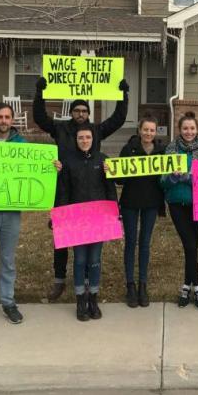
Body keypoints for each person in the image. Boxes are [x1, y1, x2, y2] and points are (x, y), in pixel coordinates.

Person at [0, 103, 62, 332]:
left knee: (8, 260)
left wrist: (51, 168)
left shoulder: (22, 146)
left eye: (7, 117)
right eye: (0, 117)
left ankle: (8, 302)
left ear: (12, 120)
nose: (4, 121)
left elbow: (36, 173)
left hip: (11, 213)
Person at [33, 75, 129, 301]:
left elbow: (117, 120)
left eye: (84, 111)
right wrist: (40, 93)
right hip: (64, 186)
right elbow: (39, 117)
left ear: (88, 114)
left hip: (92, 187)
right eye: (76, 110)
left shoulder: (95, 130)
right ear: (71, 112)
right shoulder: (60, 129)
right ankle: (59, 280)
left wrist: (123, 95)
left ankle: (87, 280)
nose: (80, 114)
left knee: (89, 237)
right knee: (62, 237)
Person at [60, 124, 118, 321]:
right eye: (80, 138)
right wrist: (59, 216)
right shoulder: (68, 162)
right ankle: (80, 300)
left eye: (87, 137)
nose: (84, 141)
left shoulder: (103, 160)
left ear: (93, 139)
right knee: (79, 260)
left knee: (94, 260)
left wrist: (114, 211)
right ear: (76, 140)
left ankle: (93, 297)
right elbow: (64, 191)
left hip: (99, 217)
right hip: (76, 218)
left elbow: (110, 188)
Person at [160, 111, 198, 310]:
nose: (188, 132)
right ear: (179, 130)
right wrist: (173, 177)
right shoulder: (171, 151)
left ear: (197, 130)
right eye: (185, 128)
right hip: (176, 205)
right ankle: (197, 287)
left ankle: (186, 286)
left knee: (192, 246)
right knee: (190, 245)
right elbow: (162, 182)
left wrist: (188, 178)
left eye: (192, 128)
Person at [116, 116, 166, 308]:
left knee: (145, 243)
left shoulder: (161, 151)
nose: (148, 133)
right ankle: (130, 284)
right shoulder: (128, 149)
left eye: (152, 130)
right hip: (130, 202)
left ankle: (142, 284)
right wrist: (111, 171)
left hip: (151, 203)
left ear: (156, 132)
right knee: (131, 242)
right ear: (139, 130)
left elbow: (166, 176)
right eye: (145, 130)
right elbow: (120, 179)